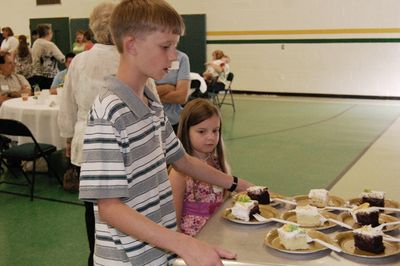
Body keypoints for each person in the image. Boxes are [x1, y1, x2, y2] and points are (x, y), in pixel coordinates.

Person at [79, 1, 253, 265]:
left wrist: (241, 185)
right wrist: (184, 243)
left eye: (175, 46)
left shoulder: (151, 100)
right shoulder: (109, 112)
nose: (174, 56)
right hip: (127, 259)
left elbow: (182, 160)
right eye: (165, 46)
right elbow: (110, 207)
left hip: (158, 252)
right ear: (132, 44)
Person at [58, 2, 158, 265]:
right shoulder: (132, 56)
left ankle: (96, 256)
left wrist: (68, 138)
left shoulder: (79, 61)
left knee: (95, 207)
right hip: (129, 141)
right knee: (131, 204)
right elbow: (153, 102)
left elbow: (67, 104)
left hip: (88, 142)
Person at [169, 98, 230, 236]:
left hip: (218, 234)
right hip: (193, 240)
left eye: (215, 131)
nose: (211, 137)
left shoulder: (217, 163)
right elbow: (174, 224)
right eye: (202, 132)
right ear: (186, 131)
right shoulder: (179, 173)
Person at [155, 50, 190, 132]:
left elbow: (181, 97)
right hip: (150, 122)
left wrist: (152, 94)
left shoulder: (181, 58)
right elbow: (140, 94)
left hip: (174, 122)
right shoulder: (144, 56)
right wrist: (169, 87)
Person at [31, 24, 65, 90]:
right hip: (50, 77)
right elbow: (62, 59)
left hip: (37, 75)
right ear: (48, 33)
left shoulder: (35, 43)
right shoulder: (50, 45)